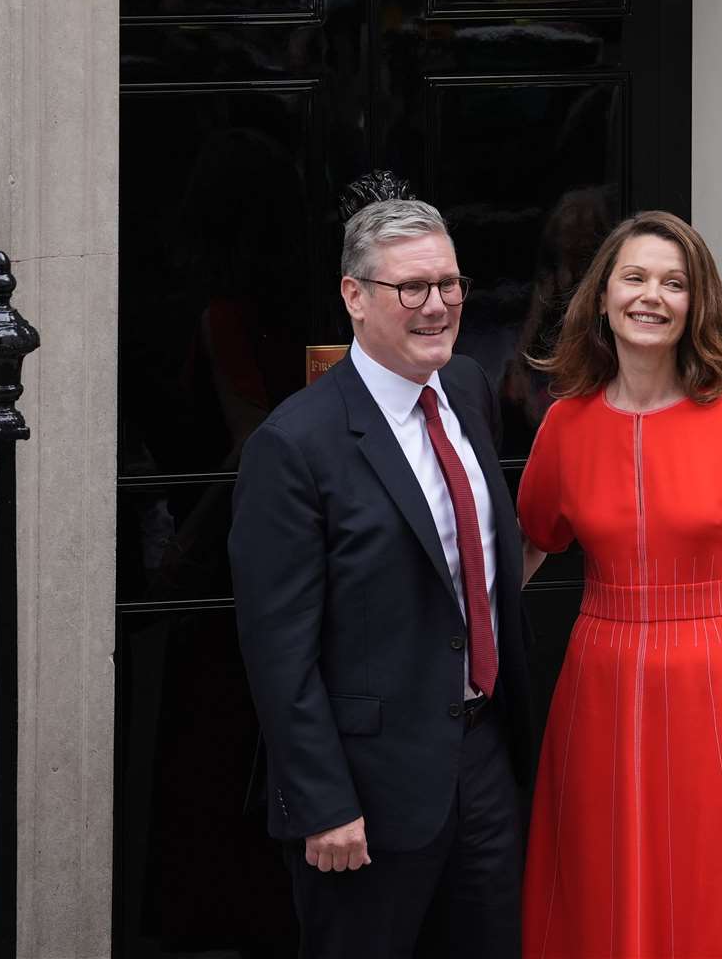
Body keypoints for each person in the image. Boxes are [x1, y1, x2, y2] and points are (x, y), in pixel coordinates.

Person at [517, 210, 722, 958]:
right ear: (602, 296)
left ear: (697, 305)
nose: (650, 296)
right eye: (634, 277)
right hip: (600, 688)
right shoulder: (564, 426)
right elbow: (522, 555)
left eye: (674, 283)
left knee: (720, 897)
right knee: (600, 890)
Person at [229, 197, 536, 959]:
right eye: (412, 289)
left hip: (484, 765)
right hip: (365, 795)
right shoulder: (295, 446)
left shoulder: (466, 389)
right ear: (354, 296)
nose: (437, 306)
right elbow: (279, 652)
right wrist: (322, 804)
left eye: (449, 284)